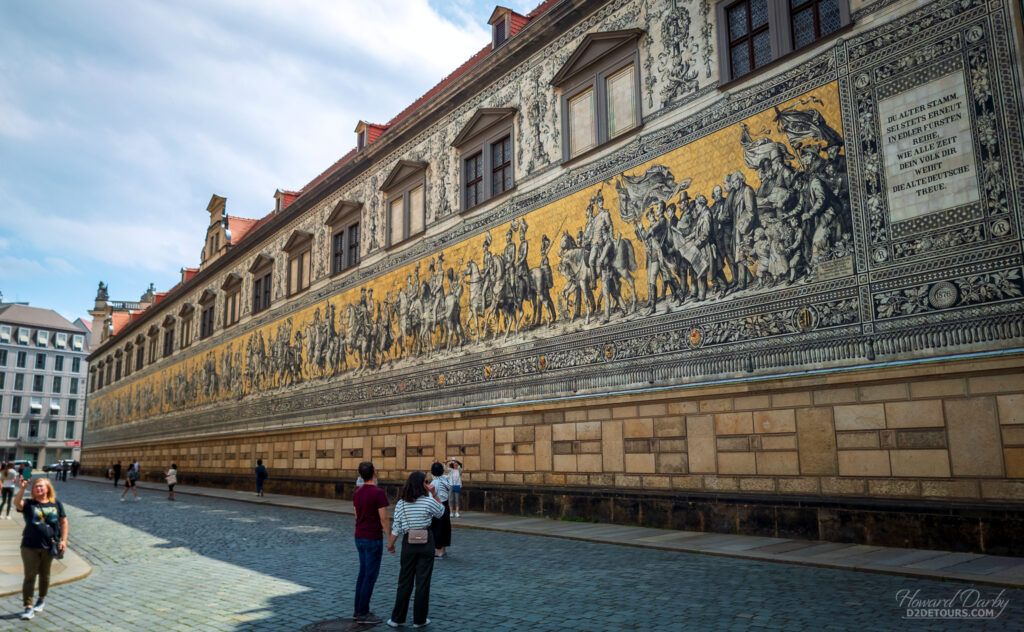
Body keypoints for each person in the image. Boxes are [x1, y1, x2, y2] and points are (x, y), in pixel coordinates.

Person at [386, 471, 444, 629]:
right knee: (423, 583)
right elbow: (441, 512)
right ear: (422, 484)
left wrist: (391, 544)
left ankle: (397, 618)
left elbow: (396, 527)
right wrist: (434, 493)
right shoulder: (428, 501)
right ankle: (420, 619)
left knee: (404, 581)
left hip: (409, 543)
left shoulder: (401, 503)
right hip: (426, 541)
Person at [15, 476, 68, 620]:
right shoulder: (29, 503)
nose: (38, 488)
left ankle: (41, 599)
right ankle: (28, 606)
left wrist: (63, 540)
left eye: (41, 486)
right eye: (36, 487)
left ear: (47, 488)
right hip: (30, 545)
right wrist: (22, 488)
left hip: (49, 545)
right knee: (30, 576)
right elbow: (17, 503)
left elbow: (63, 521)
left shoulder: (56, 503)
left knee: (45, 575)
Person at [352, 461, 390, 625]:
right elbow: (384, 518)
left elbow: (356, 515)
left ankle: (357, 609)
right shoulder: (378, 493)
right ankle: (363, 612)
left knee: (363, 573)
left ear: (360, 475)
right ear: (375, 472)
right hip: (373, 538)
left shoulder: (357, 493)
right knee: (370, 576)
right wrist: (391, 538)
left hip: (359, 536)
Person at [429, 462, 452, 560]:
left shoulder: (434, 483)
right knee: (445, 528)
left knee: (437, 529)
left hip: (437, 506)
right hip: (446, 505)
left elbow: (431, 497)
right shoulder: (445, 479)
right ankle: (443, 550)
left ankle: (438, 552)